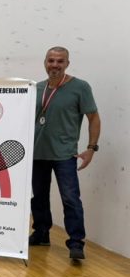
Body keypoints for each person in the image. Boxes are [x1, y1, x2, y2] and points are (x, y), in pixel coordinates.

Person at [30, 47, 100, 261]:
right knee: (39, 197)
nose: (55, 65)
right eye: (51, 60)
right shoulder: (36, 88)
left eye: (60, 61)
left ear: (67, 63)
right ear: (45, 62)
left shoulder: (80, 87)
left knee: (70, 199)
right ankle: (41, 233)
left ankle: (76, 242)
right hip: (37, 154)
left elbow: (93, 118)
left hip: (65, 155)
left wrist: (91, 148)